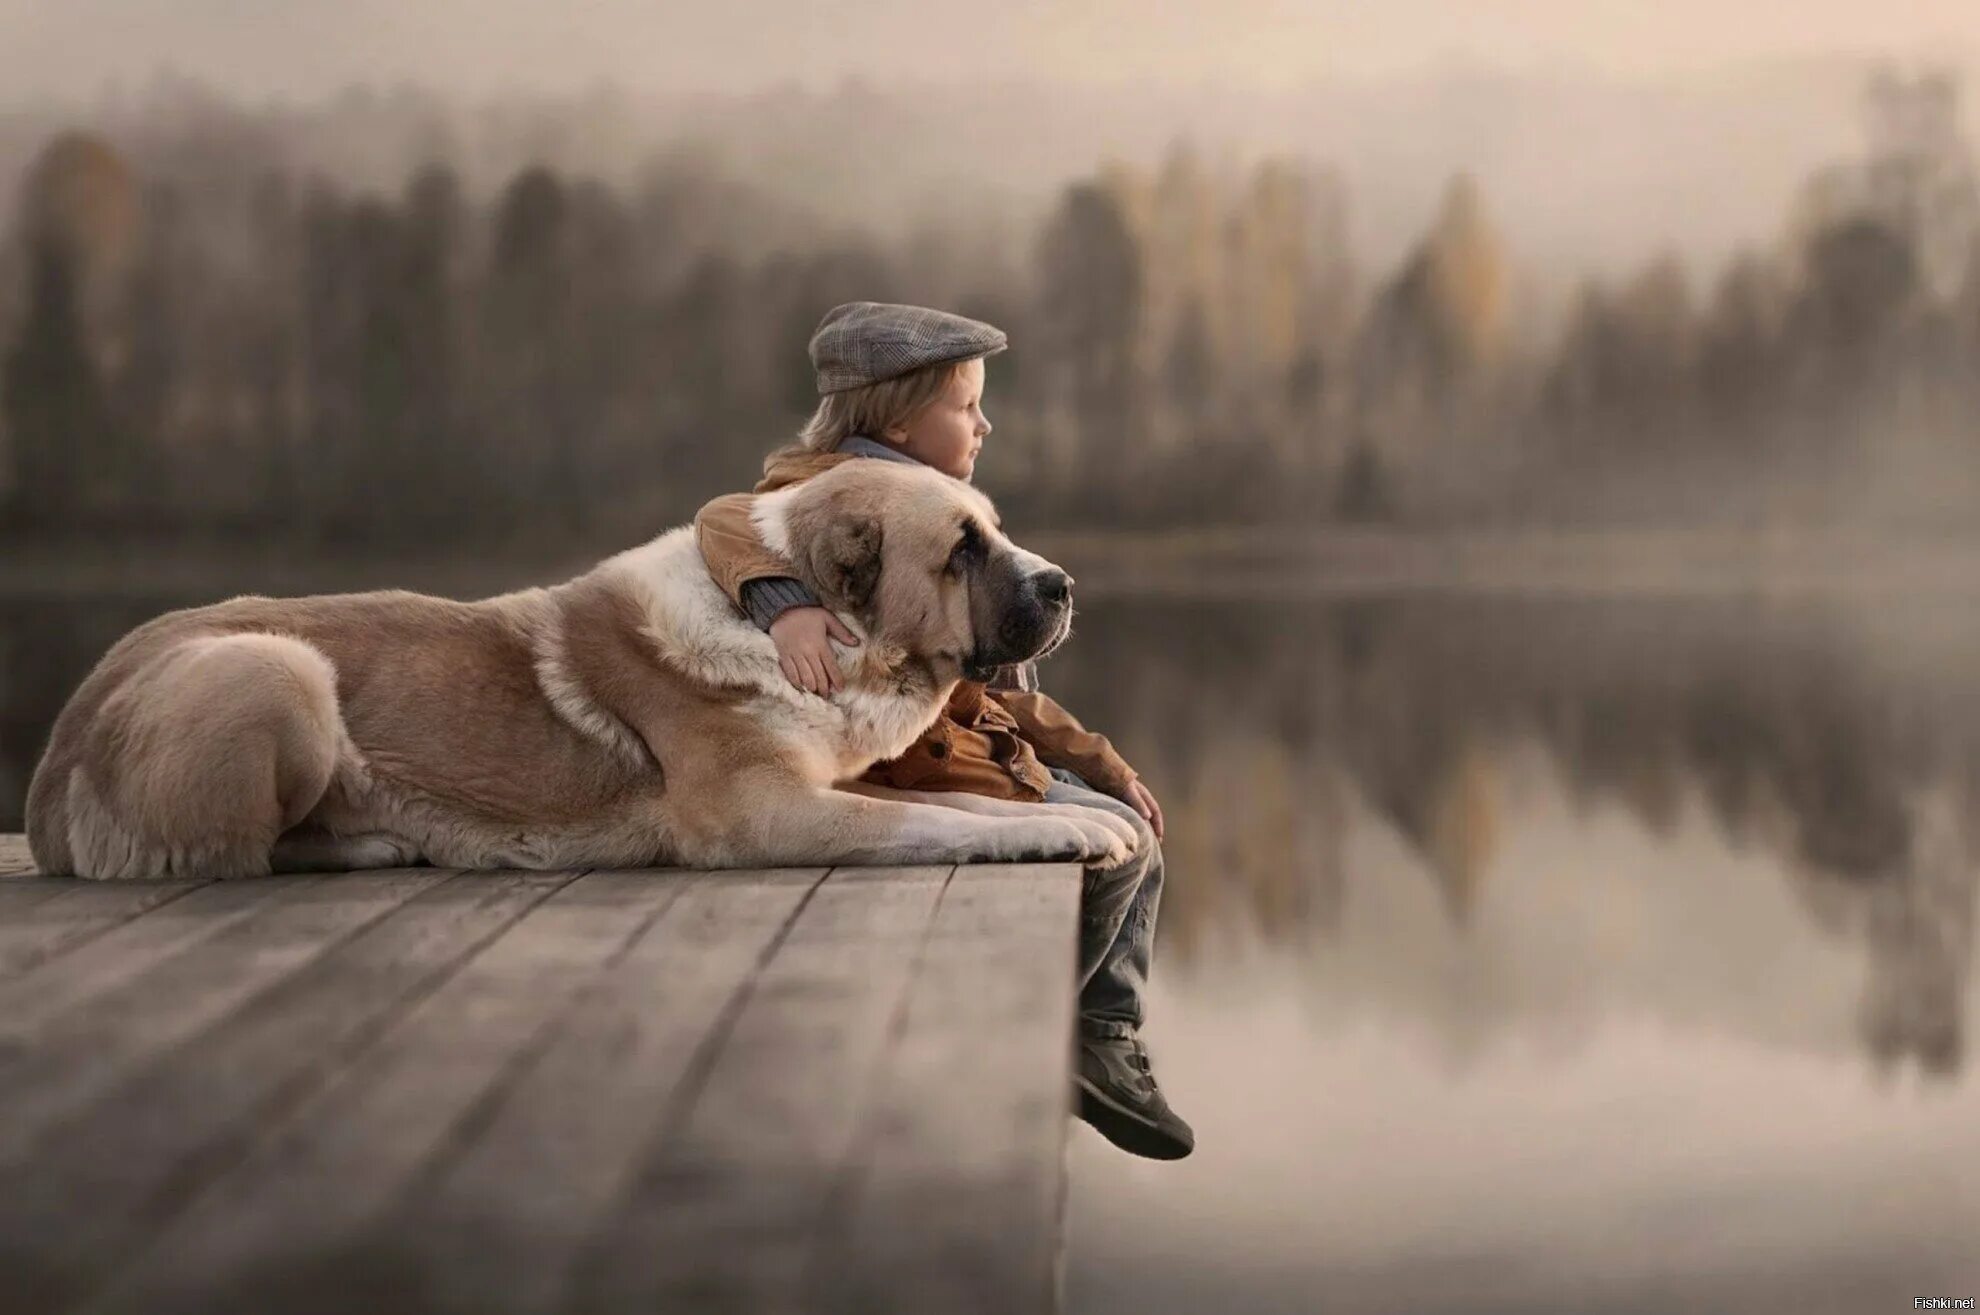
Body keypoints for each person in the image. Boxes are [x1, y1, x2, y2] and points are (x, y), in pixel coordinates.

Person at [694, 301, 1193, 1160]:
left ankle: (1089, 1031)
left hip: (961, 745)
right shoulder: (836, 496)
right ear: (894, 417)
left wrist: (1095, 758)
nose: (985, 423)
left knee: (1132, 830)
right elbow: (727, 518)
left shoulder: (942, 511)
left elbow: (994, 689)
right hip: (902, 767)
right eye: (966, 405)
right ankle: (1060, 1037)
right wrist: (779, 604)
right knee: (1119, 850)